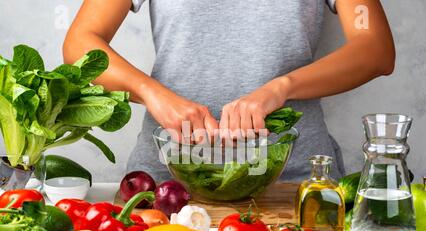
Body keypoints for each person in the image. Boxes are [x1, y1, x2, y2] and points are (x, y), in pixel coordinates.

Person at [63, 0, 395, 181]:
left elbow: (375, 48)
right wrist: (150, 91)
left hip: (293, 179)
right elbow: (81, 42)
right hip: (167, 177)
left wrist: (283, 87)